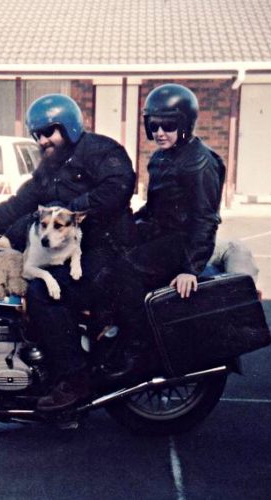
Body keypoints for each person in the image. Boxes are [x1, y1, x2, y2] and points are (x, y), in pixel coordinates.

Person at [0, 94, 136, 411]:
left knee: (42, 292)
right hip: (72, 252)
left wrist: (70, 209)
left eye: (49, 131)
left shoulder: (102, 151)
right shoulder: (49, 169)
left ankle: (75, 379)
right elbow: (16, 206)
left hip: (108, 253)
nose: (43, 140)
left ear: (68, 126)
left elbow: (118, 188)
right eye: (37, 134)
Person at [98, 83, 226, 376]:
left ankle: (135, 345)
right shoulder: (161, 158)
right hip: (160, 234)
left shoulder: (200, 162)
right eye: (153, 124)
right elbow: (153, 208)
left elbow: (205, 219)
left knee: (125, 271)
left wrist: (189, 269)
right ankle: (106, 329)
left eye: (168, 125)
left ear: (185, 123)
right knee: (101, 252)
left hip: (180, 243)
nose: (159, 132)